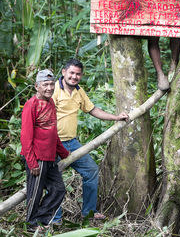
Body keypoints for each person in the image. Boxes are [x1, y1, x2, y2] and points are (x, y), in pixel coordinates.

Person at [52, 58, 128, 223]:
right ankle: (54, 219)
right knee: (54, 180)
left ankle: (88, 212)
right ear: (64, 72)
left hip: (72, 143)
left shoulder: (79, 91)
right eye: (71, 73)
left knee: (91, 170)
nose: (74, 77)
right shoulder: (54, 89)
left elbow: (93, 110)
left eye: (78, 74)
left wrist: (116, 117)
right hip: (53, 143)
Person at [20, 69, 70, 231]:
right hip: (37, 158)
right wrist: (32, 162)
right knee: (35, 193)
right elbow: (26, 137)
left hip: (50, 157)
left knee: (58, 189)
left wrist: (63, 152)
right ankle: (31, 225)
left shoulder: (50, 103)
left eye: (51, 84)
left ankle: (40, 219)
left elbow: (53, 132)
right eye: (45, 85)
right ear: (36, 86)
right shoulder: (31, 105)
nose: (49, 88)